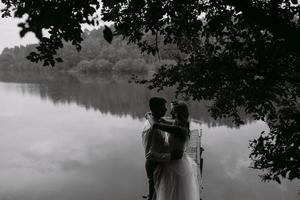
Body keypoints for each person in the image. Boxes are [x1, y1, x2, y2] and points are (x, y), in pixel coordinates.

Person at [147, 102, 200, 200]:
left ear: (177, 113)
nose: (170, 112)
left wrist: (147, 115)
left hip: (175, 164)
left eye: (173, 110)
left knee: (172, 192)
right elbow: (162, 120)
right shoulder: (178, 123)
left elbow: (155, 125)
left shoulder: (178, 129)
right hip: (175, 159)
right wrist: (152, 115)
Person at [142, 97, 182, 200]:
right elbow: (149, 154)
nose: (166, 110)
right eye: (163, 107)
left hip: (161, 162)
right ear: (156, 109)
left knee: (159, 192)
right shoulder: (151, 129)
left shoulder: (158, 121)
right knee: (154, 193)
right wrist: (170, 156)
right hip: (154, 164)